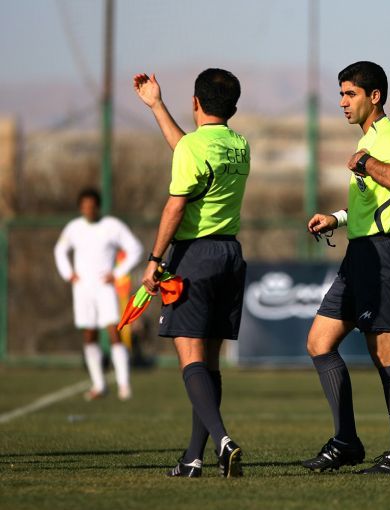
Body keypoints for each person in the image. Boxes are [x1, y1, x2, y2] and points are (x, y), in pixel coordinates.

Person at [302, 61, 390, 475]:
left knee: (385, 353)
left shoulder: (388, 136)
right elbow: (373, 205)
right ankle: (346, 442)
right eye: (341, 94)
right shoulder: (368, 139)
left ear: (375, 96)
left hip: (383, 256)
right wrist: (336, 218)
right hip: (360, 255)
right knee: (319, 342)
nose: (342, 102)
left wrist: (365, 163)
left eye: (350, 94)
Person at [132, 68, 249, 478]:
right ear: (233, 107)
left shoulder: (192, 149)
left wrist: (154, 259)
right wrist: (156, 105)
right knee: (210, 363)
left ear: (195, 102)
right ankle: (192, 459)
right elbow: (189, 150)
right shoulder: (239, 145)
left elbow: (176, 205)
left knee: (189, 357)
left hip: (194, 257)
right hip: (230, 255)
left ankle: (223, 441)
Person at [54, 188, 143, 401]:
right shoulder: (74, 228)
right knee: (89, 334)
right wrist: (69, 274)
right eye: (84, 206)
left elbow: (135, 249)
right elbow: (60, 251)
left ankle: (123, 385)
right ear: (80, 208)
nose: (88, 210)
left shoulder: (112, 226)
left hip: (105, 288)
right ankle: (98, 385)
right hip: (82, 289)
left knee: (114, 332)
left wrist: (117, 273)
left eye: (92, 206)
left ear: (98, 207)